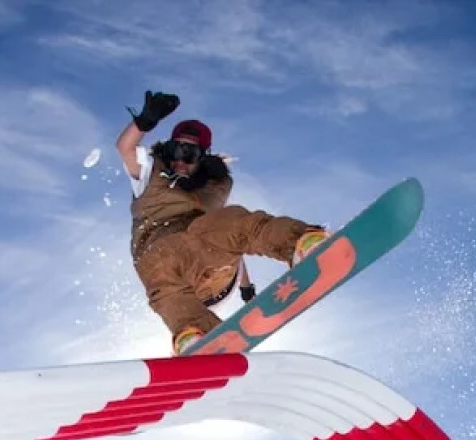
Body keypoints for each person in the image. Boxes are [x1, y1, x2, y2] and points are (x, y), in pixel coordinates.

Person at [116, 90, 328, 353]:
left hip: (214, 269)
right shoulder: (150, 171)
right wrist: (145, 121)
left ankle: (301, 243)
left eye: (189, 154)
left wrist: (246, 287)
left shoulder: (214, 187)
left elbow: (232, 234)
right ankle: (193, 335)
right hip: (168, 265)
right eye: (175, 150)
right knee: (157, 261)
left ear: (202, 157)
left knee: (230, 218)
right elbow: (125, 147)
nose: (180, 160)